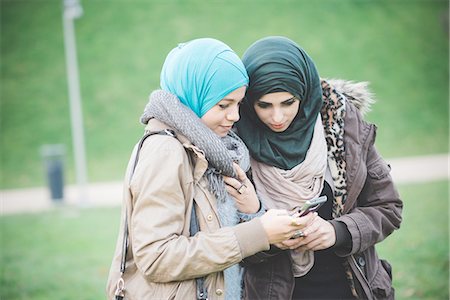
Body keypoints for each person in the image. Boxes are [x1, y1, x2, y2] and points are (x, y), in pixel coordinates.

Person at [106, 38, 311, 300]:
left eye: (238, 104)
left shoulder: (214, 149)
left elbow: (216, 232)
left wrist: (254, 213)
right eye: (223, 105)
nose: (235, 116)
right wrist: (258, 233)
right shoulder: (166, 152)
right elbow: (157, 257)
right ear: (194, 95)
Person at [235, 36, 403, 299]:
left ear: (304, 93)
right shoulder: (234, 145)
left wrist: (338, 231)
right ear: (247, 101)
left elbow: (388, 208)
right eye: (264, 105)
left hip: (350, 289)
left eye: (288, 102)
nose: (277, 117)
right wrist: (267, 236)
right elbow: (225, 242)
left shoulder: (343, 126)